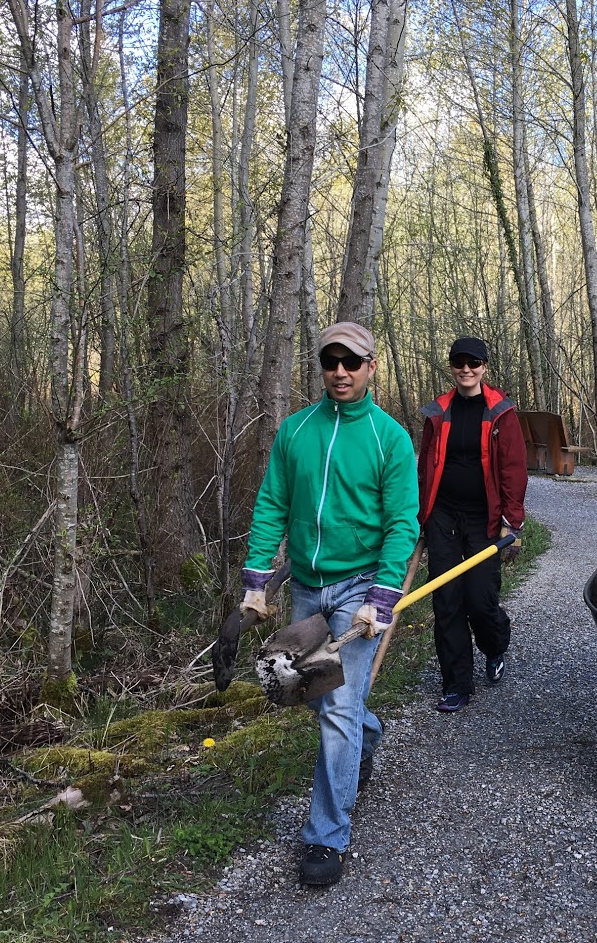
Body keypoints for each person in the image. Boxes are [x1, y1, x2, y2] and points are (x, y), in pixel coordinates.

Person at [238, 321, 418, 888]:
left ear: (371, 367)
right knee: (316, 695)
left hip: (359, 586)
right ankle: (367, 737)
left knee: (337, 708)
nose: (340, 372)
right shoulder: (295, 431)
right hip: (307, 587)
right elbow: (271, 504)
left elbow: (402, 523)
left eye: (352, 362)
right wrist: (256, 580)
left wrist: (382, 598)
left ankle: (326, 837)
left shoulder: (390, 439)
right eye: (330, 361)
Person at [417, 336, 528, 714]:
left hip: (485, 518)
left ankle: (495, 646)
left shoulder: (500, 412)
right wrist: (421, 515)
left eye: (474, 363)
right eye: (459, 362)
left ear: (484, 367)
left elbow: (513, 468)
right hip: (443, 516)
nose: (466, 369)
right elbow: (425, 465)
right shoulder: (439, 411)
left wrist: (512, 522)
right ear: (451, 366)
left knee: (481, 600)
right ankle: (456, 685)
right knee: (446, 600)